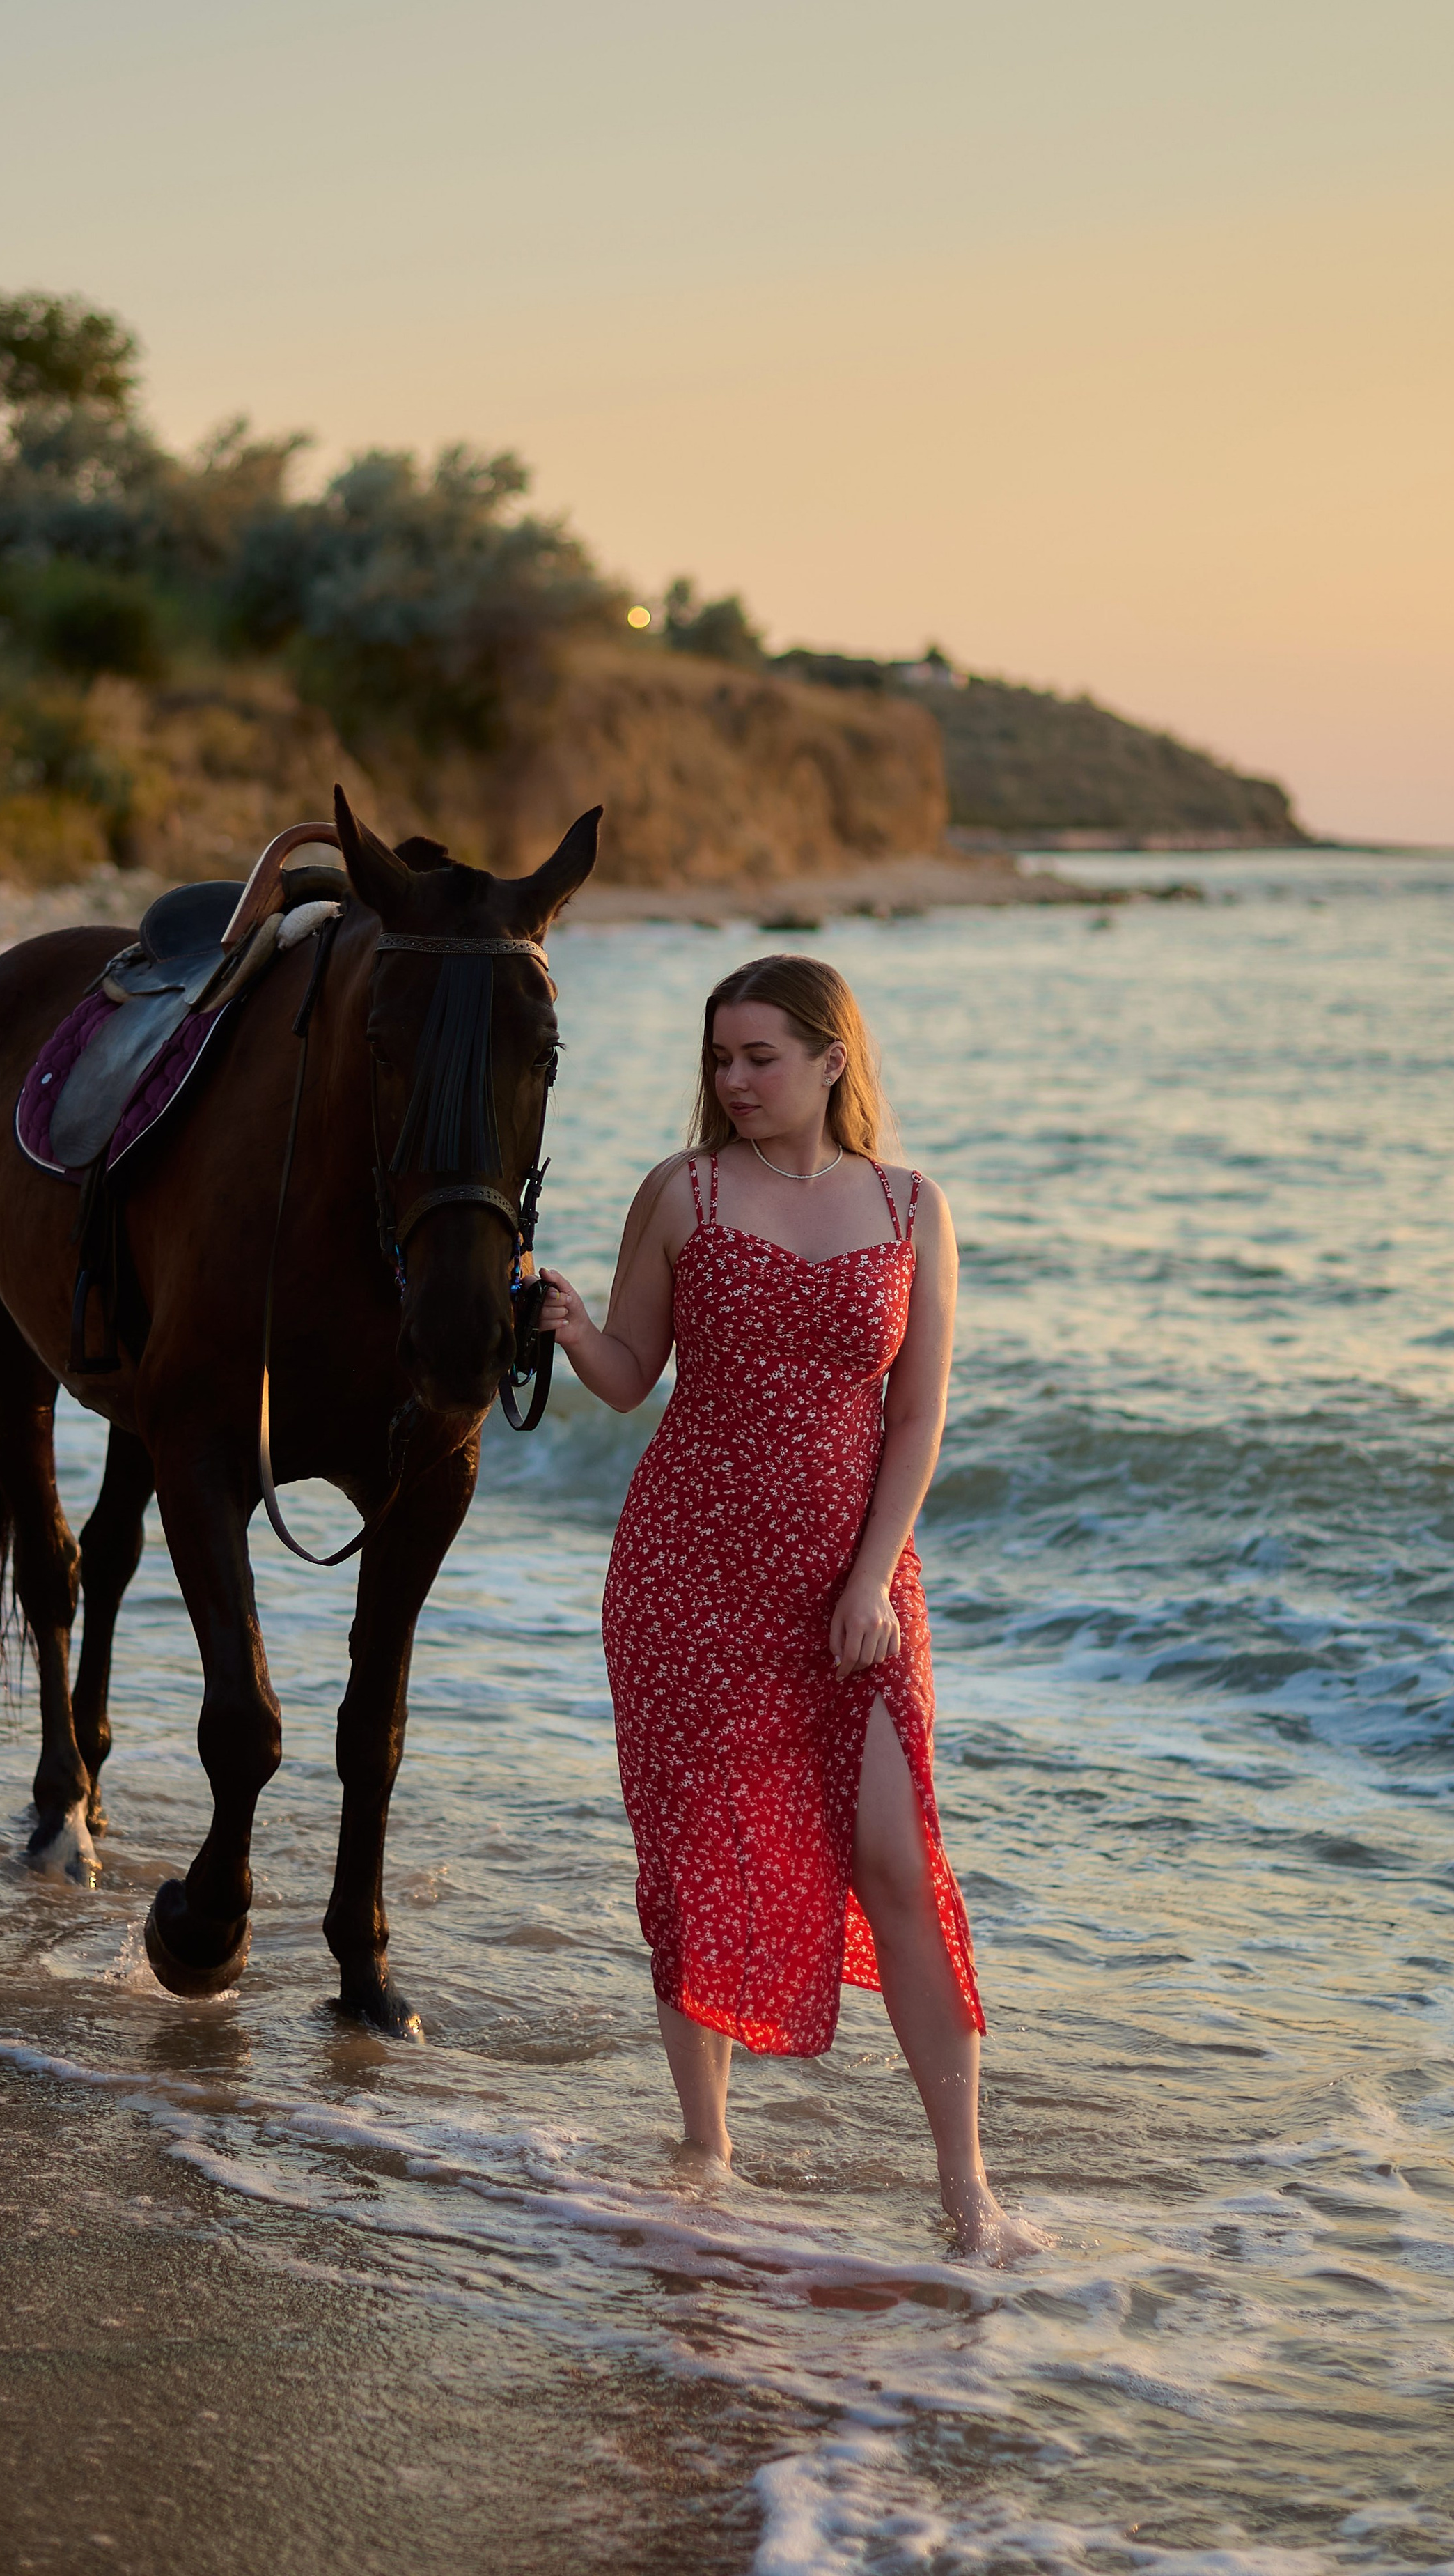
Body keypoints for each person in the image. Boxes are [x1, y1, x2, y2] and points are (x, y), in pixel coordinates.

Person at [538, 956, 1038, 2260]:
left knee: (895, 1859)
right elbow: (632, 1375)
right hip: (687, 1572)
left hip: (853, 1583)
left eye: (760, 1057)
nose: (735, 1082)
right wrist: (575, 1325)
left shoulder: (913, 1205)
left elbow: (917, 1414)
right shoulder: (683, 1192)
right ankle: (705, 2149)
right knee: (696, 1856)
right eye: (720, 1060)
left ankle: (965, 2184)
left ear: (832, 1059)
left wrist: (872, 1576)